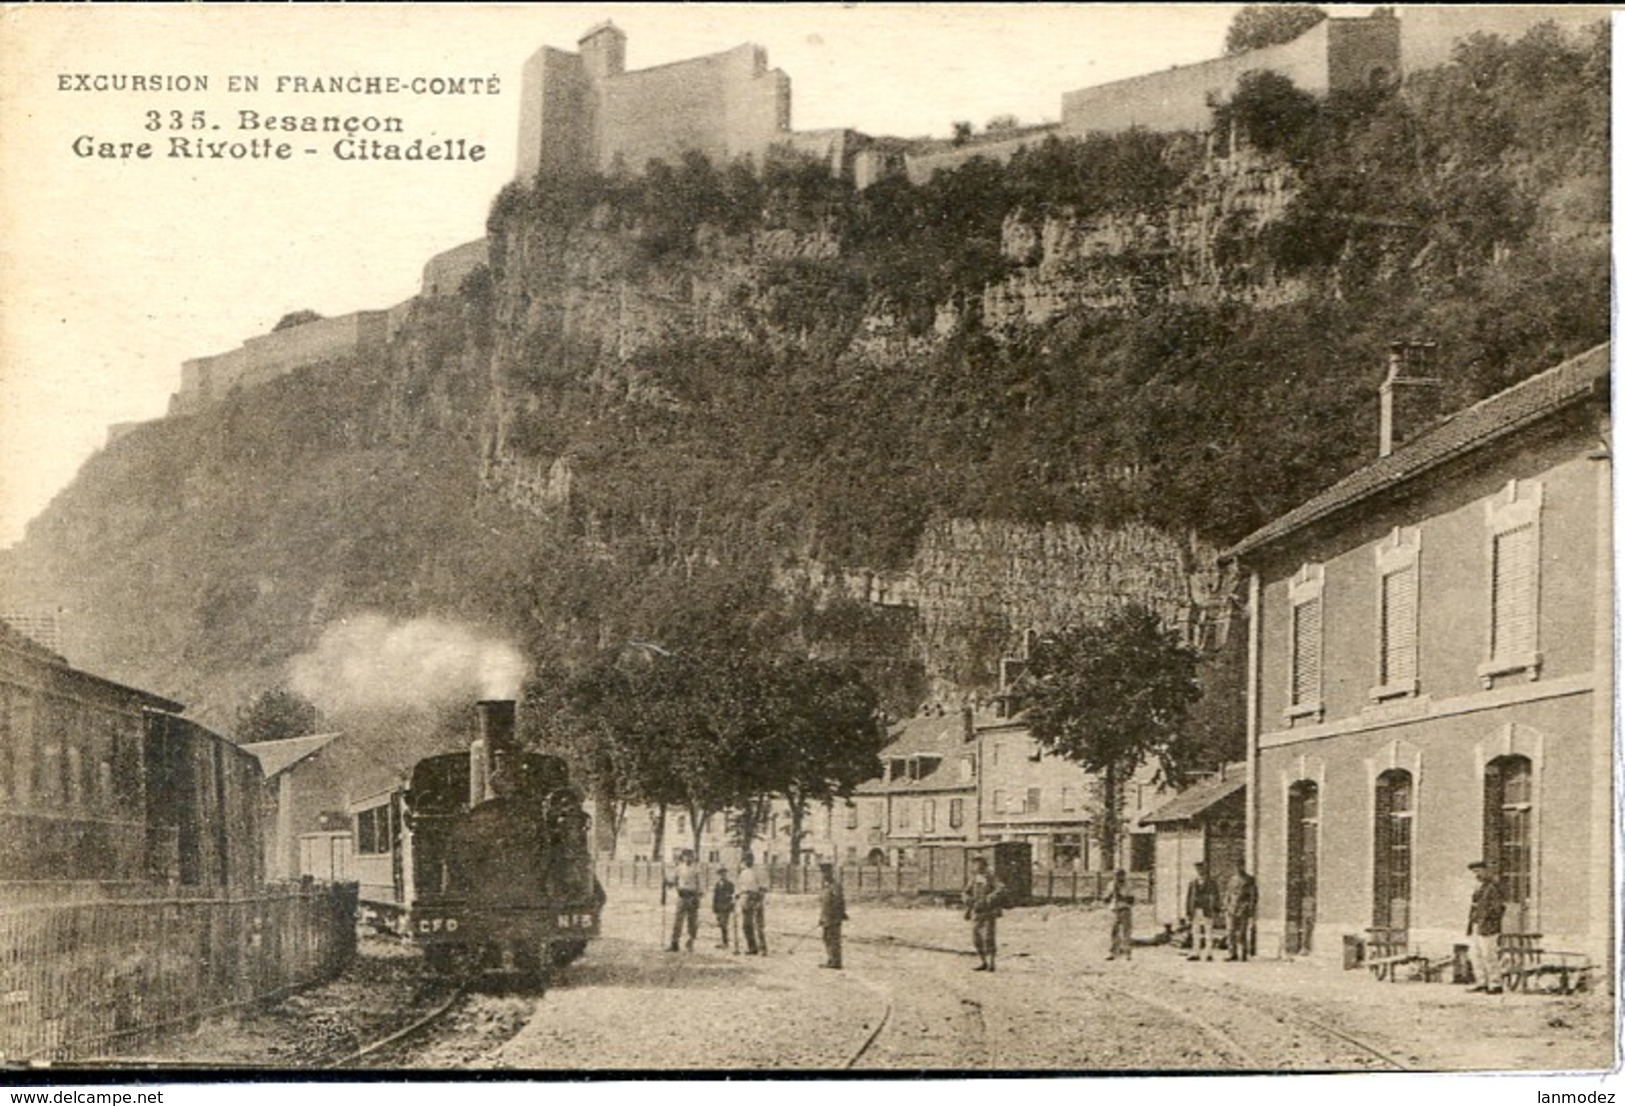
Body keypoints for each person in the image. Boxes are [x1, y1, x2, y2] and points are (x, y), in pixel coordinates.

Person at [1466, 860, 1506, 994]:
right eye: (1474, 872)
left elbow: (1499, 908)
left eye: (1478, 871)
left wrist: (1488, 919)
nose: (1476, 874)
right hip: (1476, 925)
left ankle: (1495, 984)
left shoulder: (1493, 887)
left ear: (1485, 871)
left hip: (1488, 926)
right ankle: (1481, 982)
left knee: (1489, 955)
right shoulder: (1478, 886)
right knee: (1475, 955)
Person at [964, 855, 1005, 972]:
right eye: (974, 864)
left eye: (978, 864)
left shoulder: (991, 877)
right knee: (976, 939)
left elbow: (1001, 888)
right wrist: (967, 901)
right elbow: (966, 892)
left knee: (988, 938)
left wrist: (989, 898)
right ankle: (983, 962)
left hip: (989, 911)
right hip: (976, 912)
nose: (976, 866)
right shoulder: (973, 878)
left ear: (984, 865)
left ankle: (991, 963)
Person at [1184, 860, 1220, 961]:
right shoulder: (1193, 882)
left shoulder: (1211, 882)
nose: (1200, 871)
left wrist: (1216, 909)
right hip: (1195, 910)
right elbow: (1189, 897)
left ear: (1205, 869)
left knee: (1208, 932)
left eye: (1202, 869)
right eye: (1198, 869)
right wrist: (1188, 911)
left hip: (1207, 909)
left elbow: (1216, 896)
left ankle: (1209, 953)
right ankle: (1196, 953)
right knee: (1195, 932)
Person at [666, 849, 700, 952]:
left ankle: (690, 942)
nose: (688, 858)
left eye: (690, 856)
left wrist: (697, 896)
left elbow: (699, 884)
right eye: (686, 856)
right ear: (683, 857)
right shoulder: (679, 868)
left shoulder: (696, 869)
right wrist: (668, 883)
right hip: (682, 896)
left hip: (693, 896)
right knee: (678, 920)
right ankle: (674, 943)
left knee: (692, 921)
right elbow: (674, 881)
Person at [1223, 865, 1258, 962]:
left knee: (1242, 932)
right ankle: (1232, 953)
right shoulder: (1232, 879)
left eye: (1240, 866)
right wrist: (1226, 906)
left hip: (1243, 909)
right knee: (1230, 932)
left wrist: (1250, 908)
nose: (1238, 869)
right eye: (1236, 867)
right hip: (1232, 908)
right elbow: (1228, 893)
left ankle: (1243, 954)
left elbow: (1253, 896)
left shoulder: (1249, 880)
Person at [818, 861, 848, 969]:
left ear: (830, 873)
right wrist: (821, 918)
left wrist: (836, 916)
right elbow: (824, 904)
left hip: (833, 918)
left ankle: (836, 962)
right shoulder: (826, 887)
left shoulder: (835, 886)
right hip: (826, 917)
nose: (824, 876)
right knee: (826, 938)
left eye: (825, 873)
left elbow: (838, 902)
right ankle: (831, 959)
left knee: (833, 939)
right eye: (822, 873)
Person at [736, 851, 765, 955]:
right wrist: (738, 895)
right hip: (745, 898)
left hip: (755, 898)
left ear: (752, 860)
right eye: (745, 860)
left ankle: (762, 948)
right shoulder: (743, 873)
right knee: (746, 925)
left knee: (758, 925)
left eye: (749, 859)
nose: (747, 861)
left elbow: (762, 888)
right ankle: (752, 947)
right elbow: (740, 887)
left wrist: (759, 900)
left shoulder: (757, 872)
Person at [1105, 868, 1135, 961]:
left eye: (1119, 875)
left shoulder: (1128, 885)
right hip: (1114, 910)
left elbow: (1131, 900)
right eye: (1115, 875)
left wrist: (1120, 895)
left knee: (1126, 932)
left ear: (1123, 876)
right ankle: (1113, 953)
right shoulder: (1111, 884)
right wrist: (1108, 896)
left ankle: (1127, 953)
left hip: (1125, 909)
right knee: (1114, 932)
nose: (1117, 878)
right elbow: (1107, 898)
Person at [712, 865, 736, 948]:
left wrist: (731, 904)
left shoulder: (730, 884)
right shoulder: (717, 884)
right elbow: (715, 897)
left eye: (724, 873)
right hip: (719, 907)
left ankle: (725, 942)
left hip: (726, 907)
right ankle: (723, 941)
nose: (722, 875)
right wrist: (715, 908)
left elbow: (733, 895)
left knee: (724, 924)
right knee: (721, 924)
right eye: (721, 874)